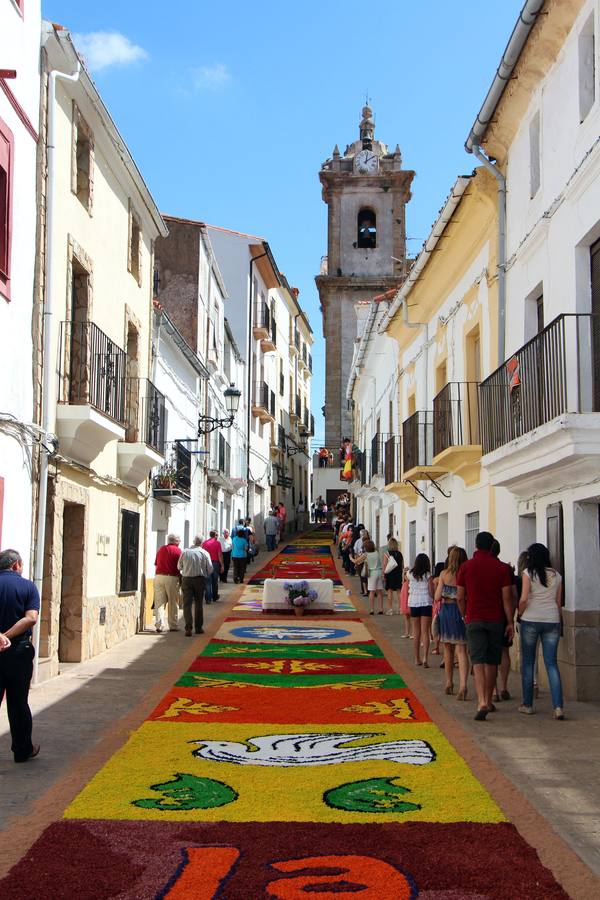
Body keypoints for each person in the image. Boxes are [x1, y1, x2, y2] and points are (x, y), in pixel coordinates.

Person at [456, 532, 514, 721]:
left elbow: (459, 596)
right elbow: (507, 598)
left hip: (474, 617)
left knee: (478, 660)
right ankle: (488, 699)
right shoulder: (501, 568)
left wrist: (464, 613)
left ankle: (481, 700)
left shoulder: (466, 567)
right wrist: (510, 621)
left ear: (476, 545)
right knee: (492, 661)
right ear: (491, 547)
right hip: (495, 619)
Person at [0, 549, 41, 763]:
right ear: (17, 565)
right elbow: (31, 618)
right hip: (18, 652)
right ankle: (22, 749)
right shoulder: (28, 587)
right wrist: (6, 636)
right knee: (18, 702)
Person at [517, 543, 565, 719]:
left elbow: (523, 599)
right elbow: (558, 603)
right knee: (551, 663)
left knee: (528, 663)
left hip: (530, 619)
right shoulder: (557, 576)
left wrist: (520, 613)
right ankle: (558, 706)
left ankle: (527, 704)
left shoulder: (528, 574)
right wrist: (558, 621)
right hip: (551, 619)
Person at [435, 546, 469, 699]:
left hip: (446, 612)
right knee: (461, 650)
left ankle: (449, 682)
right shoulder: (466, 574)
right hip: (461, 611)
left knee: (448, 649)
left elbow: (436, 597)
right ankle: (463, 685)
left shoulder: (444, 574)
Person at [490, 539, 518, 701]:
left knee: (491, 654)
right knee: (504, 651)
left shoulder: (483, 568)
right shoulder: (506, 569)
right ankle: (505, 686)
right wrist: (511, 617)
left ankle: (493, 690)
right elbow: (512, 595)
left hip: (488, 614)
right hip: (503, 614)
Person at [177, 537, 212, 636]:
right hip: (199, 580)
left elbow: (179, 567)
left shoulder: (185, 552)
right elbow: (210, 569)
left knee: (187, 604)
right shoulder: (205, 553)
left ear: (193, 542)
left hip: (186, 579)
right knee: (198, 603)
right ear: (202, 543)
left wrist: (186, 568)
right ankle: (198, 627)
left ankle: (188, 628)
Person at [408, 554, 433, 667]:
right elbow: (431, 592)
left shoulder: (410, 574)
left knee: (416, 631)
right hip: (426, 603)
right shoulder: (428, 575)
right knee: (425, 632)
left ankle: (416, 658)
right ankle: (425, 658)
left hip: (414, 603)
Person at [153, 534, 182, 633]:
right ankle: (173, 625)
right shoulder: (178, 551)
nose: (180, 542)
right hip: (172, 577)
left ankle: (159, 625)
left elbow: (156, 563)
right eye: (178, 540)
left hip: (158, 577)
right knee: (173, 602)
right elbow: (180, 566)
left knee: (159, 602)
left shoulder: (161, 549)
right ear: (175, 541)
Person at [355, 539, 383, 615]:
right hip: (379, 572)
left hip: (372, 573)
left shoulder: (366, 554)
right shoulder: (376, 552)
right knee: (379, 591)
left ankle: (371, 609)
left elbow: (356, 561)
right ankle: (381, 609)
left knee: (372, 592)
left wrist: (351, 558)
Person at [382, 538, 404, 615]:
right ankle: (401, 609)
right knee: (399, 592)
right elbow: (402, 566)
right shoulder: (400, 554)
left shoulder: (387, 554)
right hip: (398, 574)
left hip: (390, 574)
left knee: (390, 592)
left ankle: (390, 609)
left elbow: (384, 565)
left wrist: (383, 574)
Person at [202, 531, 224, 602]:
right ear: (215, 536)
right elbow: (219, 555)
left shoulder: (205, 543)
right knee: (215, 581)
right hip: (215, 563)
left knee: (207, 581)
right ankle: (214, 597)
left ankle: (208, 599)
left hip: (206, 563)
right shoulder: (217, 543)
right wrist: (222, 565)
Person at [431, 561, 445, 654]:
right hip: (444, 603)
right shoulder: (445, 578)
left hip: (436, 604)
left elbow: (434, 593)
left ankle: (436, 647)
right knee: (443, 627)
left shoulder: (435, 580)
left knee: (435, 627)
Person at [399, 568, 411, 638]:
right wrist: (403, 572)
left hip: (409, 602)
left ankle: (412, 633)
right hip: (404, 602)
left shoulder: (410, 584)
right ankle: (407, 633)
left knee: (412, 618)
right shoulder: (404, 583)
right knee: (406, 617)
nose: (404, 576)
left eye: (406, 575)